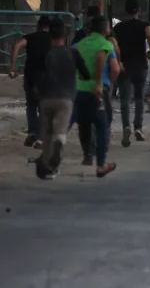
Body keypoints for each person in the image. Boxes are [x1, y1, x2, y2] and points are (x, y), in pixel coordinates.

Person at [34, 17, 91, 180]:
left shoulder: (45, 54)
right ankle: (57, 147)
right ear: (65, 35)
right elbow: (85, 74)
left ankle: (47, 167)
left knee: (46, 133)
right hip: (66, 99)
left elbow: (35, 75)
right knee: (59, 132)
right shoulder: (72, 53)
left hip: (45, 98)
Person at [74, 15, 119, 177]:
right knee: (102, 125)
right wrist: (107, 82)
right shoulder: (106, 44)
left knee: (83, 123)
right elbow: (114, 68)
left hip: (79, 89)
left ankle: (87, 153)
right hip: (98, 91)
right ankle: (101, 164)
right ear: (106, 29)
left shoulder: (79, 44)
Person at [114, 0, 150, 145]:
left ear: (125, 11)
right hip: (140, 65)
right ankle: (138, 127)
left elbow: (114, 45)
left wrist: (118, 61)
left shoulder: (118, 27)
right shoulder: (144, 25)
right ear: (138, 11)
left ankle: (126, 126)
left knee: (124, 99)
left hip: (124, 66)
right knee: (139, 97)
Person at [10, 15, 52, 148]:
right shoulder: (52, 39)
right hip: (46, 77)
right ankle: (41, 139)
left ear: (38, 26)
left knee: (31, 105)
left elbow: (17, 46)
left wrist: (13, 67)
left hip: (30, 77)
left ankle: (32, 132)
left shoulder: (30, 37)